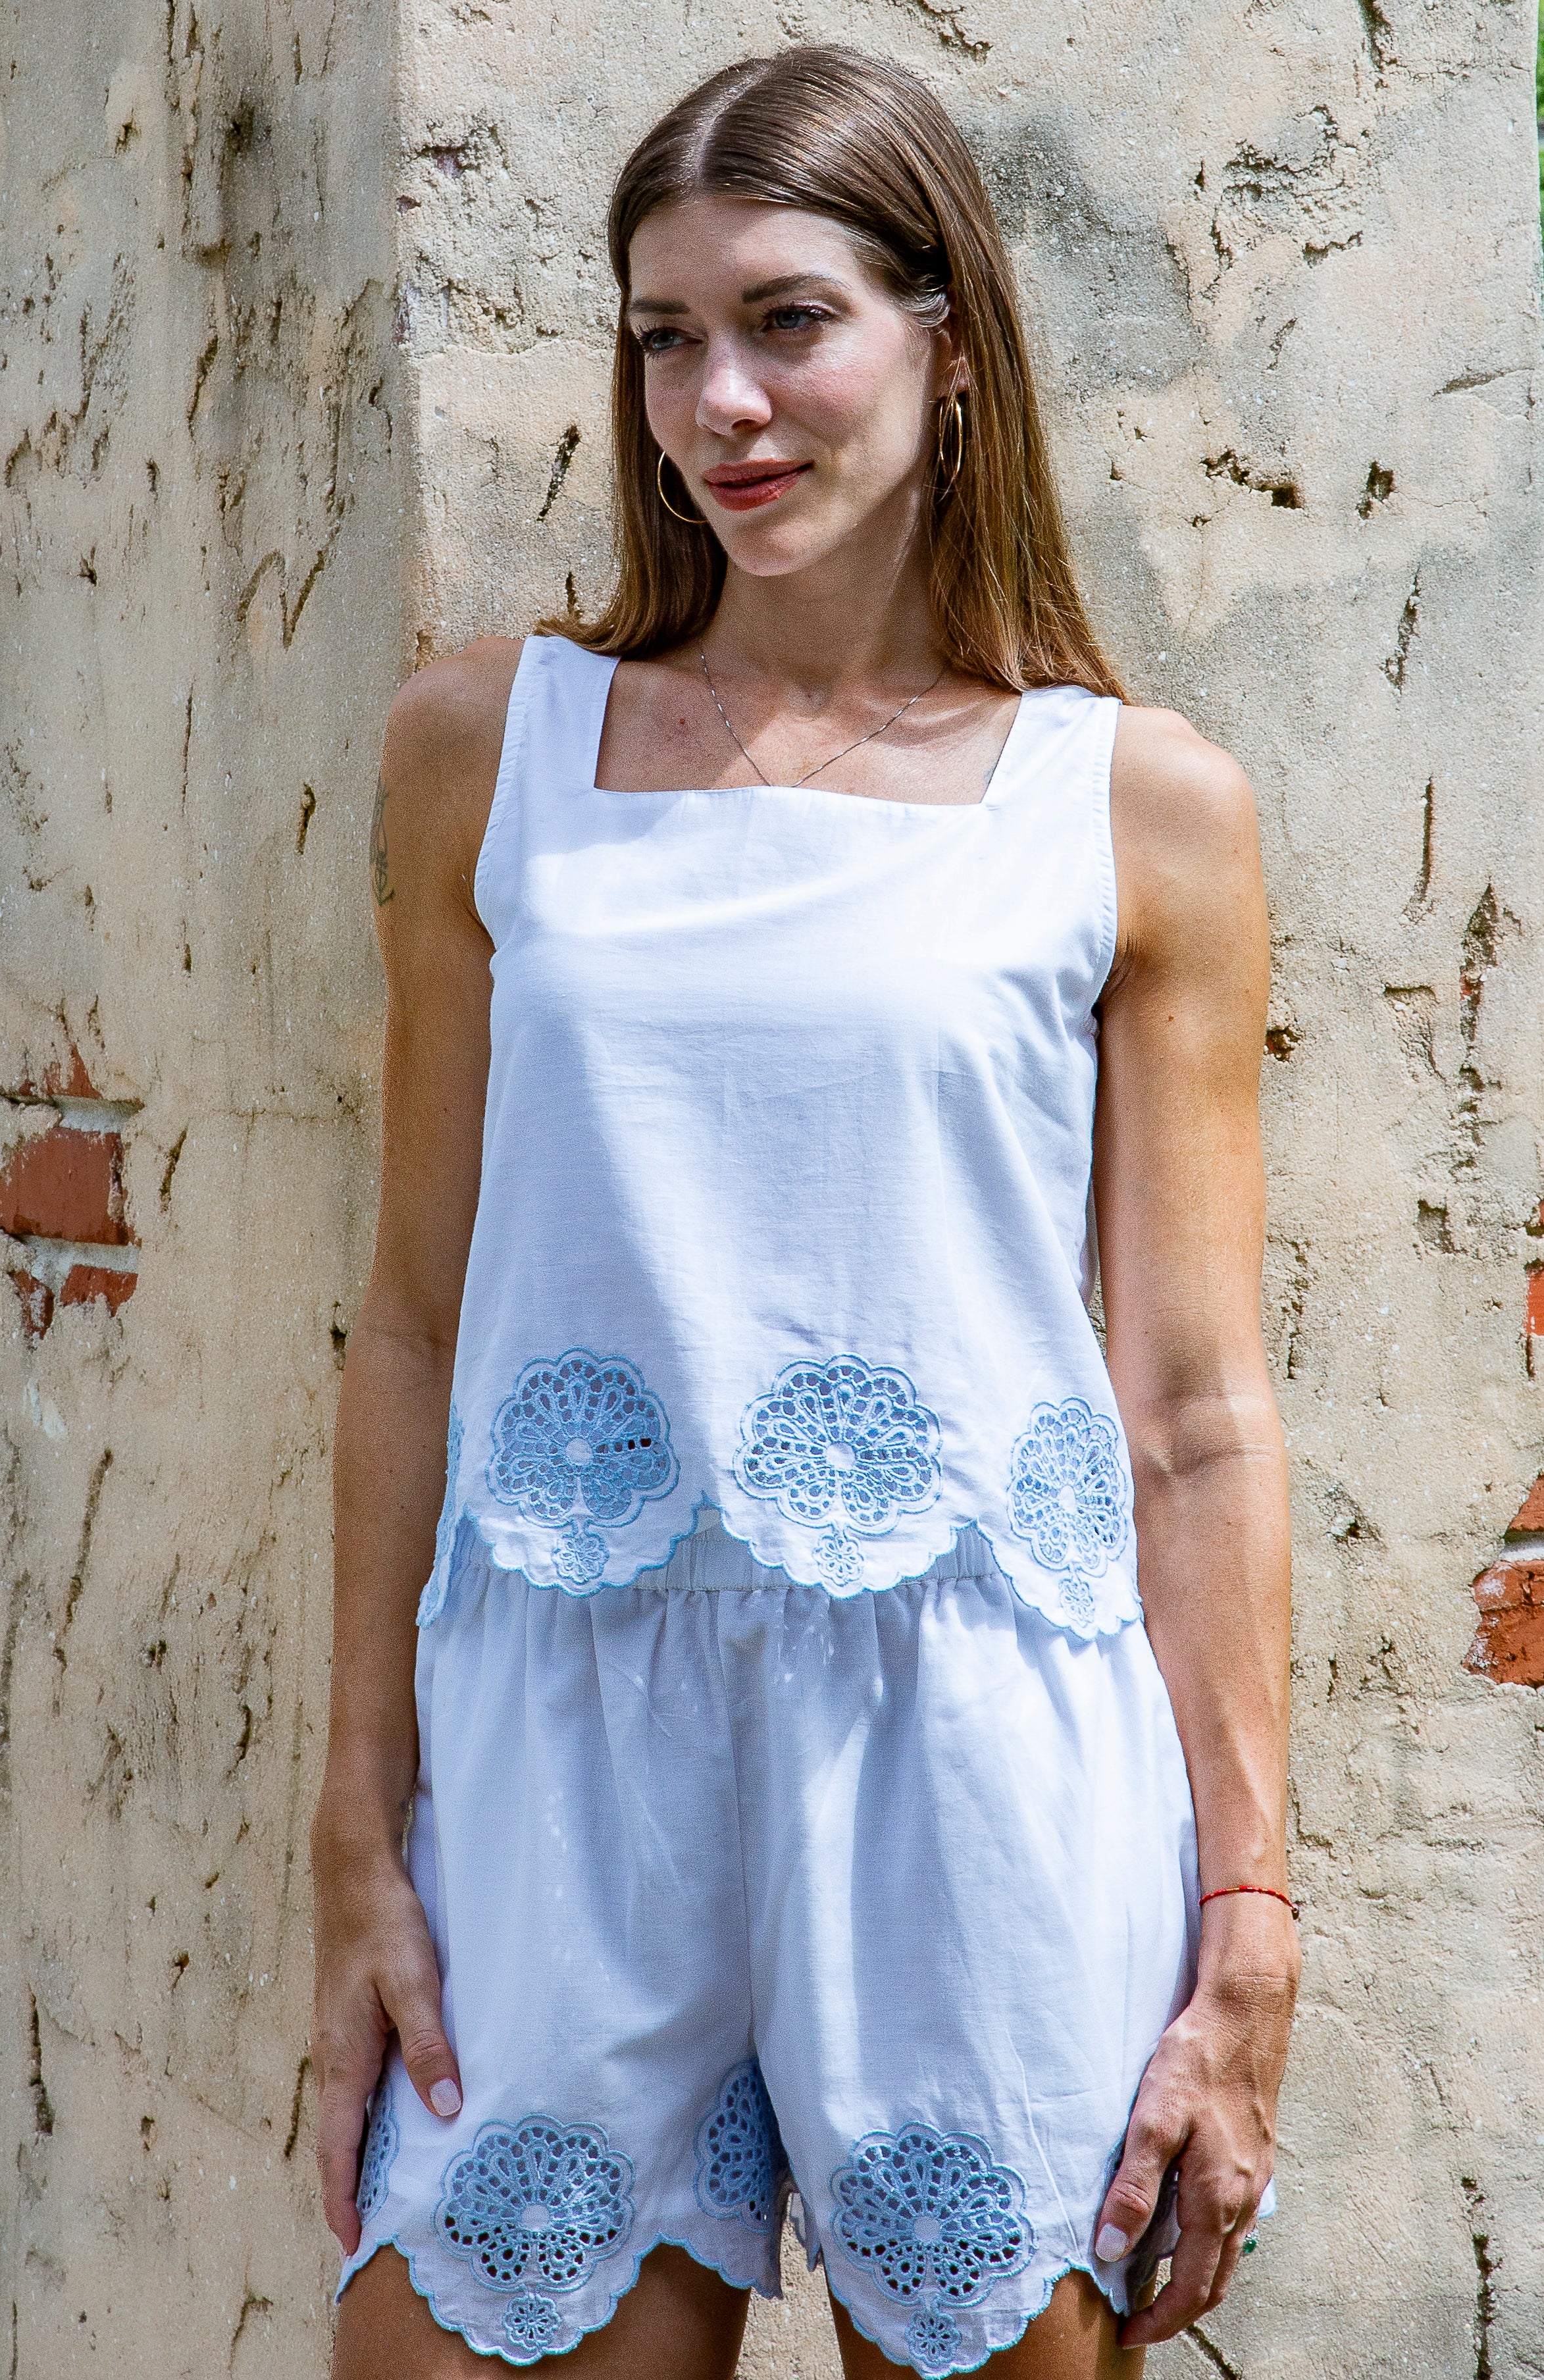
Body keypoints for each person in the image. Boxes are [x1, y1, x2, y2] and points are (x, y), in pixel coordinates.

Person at [313, 44, 1299, 2380]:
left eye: (786, 323)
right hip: (557, 1766)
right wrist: (358, 1829)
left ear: (947, 343)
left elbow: (1191, 1409)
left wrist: (1247, 1916)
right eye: (664, 338)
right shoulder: (487, 752)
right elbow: (413, 1322)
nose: (718, 404)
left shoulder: (1131, 806)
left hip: (977, 1770)